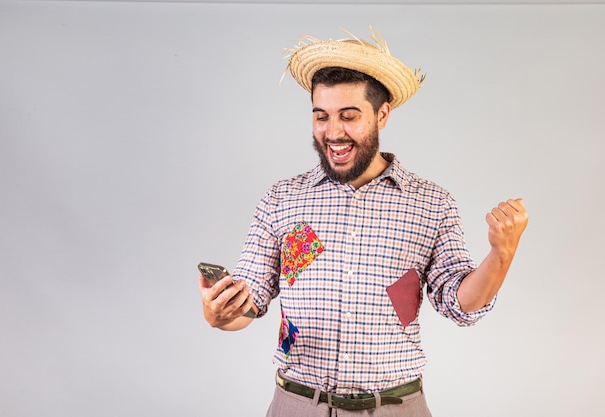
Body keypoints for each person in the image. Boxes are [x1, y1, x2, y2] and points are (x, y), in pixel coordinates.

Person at [199, 28, 528, 417]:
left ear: (382, 114)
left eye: (349, 116)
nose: (333, 132)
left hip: (394, 407)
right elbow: (248, 301)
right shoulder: (283, 200)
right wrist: (220, 314)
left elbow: (460, 304)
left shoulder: (431, 204)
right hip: (296, 405)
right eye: (321, 117)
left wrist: (501, 254)